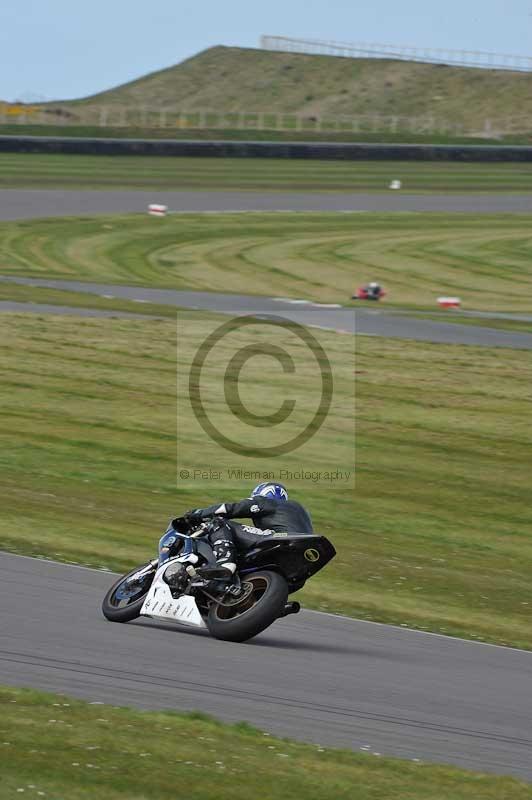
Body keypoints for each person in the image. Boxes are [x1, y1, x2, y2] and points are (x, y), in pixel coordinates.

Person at [182, 482, 313, 589]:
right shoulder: (301, 513)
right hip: (299, 564)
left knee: (218, 522)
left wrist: (197, 514)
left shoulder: (268, 502)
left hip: (280, 538)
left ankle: (225, 562)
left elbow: (228, 509)